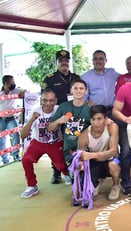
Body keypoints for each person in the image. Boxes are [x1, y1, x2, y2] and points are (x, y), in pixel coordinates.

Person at [20, 89, 71, 198]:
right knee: (26, 159)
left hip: (56, 142)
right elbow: (23, 135)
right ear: (41, 101)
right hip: (38, 142)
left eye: (51, 100)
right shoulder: (34, 112)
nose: (48, 103)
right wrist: (32, 120)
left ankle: (66, 174)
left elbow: (72, 113)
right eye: (45, 100)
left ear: (56, 100)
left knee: (61, 165)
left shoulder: (59, 109)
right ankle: (32, 185)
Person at [42, 49, 81, 184]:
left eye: (66, 60)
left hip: (74, 114)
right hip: (57, 114)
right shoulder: (50, 78)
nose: (64, 63)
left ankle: (73, 169)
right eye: (61, 60)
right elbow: (45, 96)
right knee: (56, 143)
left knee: (72, 141)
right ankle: (56, 171)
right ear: (57, 62)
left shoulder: (76, 77)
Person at [76, 105, 121, 201]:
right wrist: (76, 189)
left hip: (110, 160)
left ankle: (116, 186)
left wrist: (91, 155)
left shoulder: (112, 127)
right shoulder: (84, 136)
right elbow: (80, 159)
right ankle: (95, 182)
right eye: (93, 119)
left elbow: (113, 151)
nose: (96, 123)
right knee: (86, 191)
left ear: (105, 119)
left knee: (113, 165)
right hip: (95, 163)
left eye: (99, 119)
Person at [47, 79, 91, 166]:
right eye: (75, 88)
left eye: (81, 88)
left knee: (84, 173)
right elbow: (50, 128)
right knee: (76, 171)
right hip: (69, 150)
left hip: (86, 149)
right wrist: (58, 121)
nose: (78, 91)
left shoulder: (90, 108)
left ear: (86, 91)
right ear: (71, 90)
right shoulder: (63, 106)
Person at [82, 50, 120, 116]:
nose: (98, 61)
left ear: (106, 60)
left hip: (112, 110)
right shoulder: (85, 77)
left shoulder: (112, 72)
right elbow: (83, 97)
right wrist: (87, 102)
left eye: (101, 59)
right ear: (92, 61)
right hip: (96, 111)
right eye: (95, 59)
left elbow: (124, 78)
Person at [0, 75, 24, 164]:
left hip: (11, 118)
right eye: (12, 83)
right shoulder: (0, 93)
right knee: (1, 139)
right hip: (0, 118)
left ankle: (15, 155)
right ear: (6, 83)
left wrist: (23, 92)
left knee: (15, 134)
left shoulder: (14, 91)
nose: (13, 84)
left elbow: (25, 91)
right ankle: (4, 159)